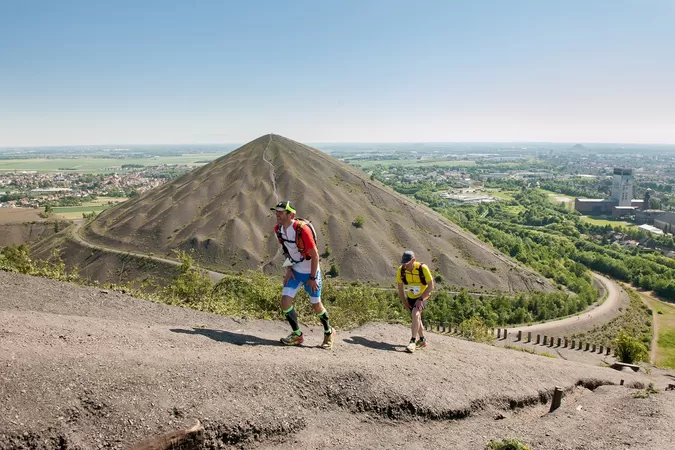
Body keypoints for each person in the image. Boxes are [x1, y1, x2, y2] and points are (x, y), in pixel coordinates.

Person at [271, 200, 334, 349]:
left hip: (310, 272)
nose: (277, 215)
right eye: (276, 212)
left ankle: (328, 332)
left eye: (281, 212)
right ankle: (297, 335)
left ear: (291, 214)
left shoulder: (302, 230)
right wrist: (289, 269)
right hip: (295, 271)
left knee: (316, 305)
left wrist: (312, 278)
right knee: (285, 302)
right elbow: (287, 250)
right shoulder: (278, 229)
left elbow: (315, 255)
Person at [396, 250, 434, 353]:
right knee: (416, 317)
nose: (405, 266)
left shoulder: (422, 268)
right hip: (411, 297)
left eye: (407, 263)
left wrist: (421, 299)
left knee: (415, 313)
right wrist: (404, 302)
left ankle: (412, 341)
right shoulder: (401, 270)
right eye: (403, 263)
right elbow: (400, 287)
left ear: (413, 260)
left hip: (423, 296)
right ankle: (422, 340)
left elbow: (431, 286)